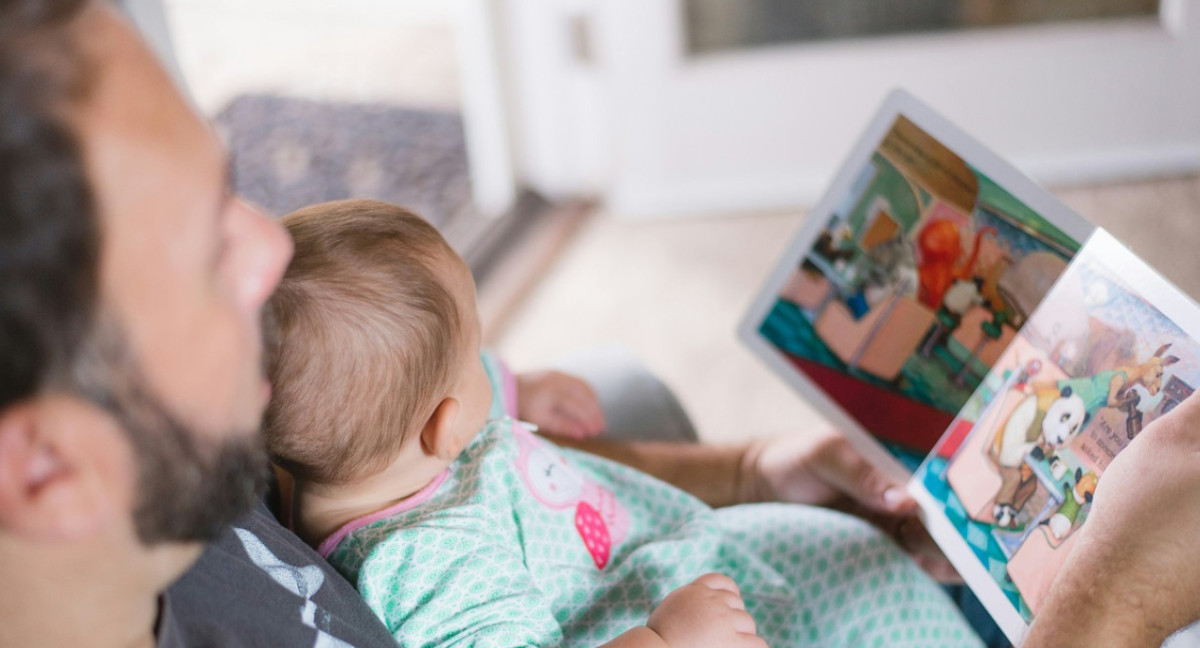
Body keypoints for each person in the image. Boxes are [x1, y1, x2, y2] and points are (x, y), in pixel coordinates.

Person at [1, 1, 1198, 646]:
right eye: (205, 246)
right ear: (46, 465)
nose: (268, 245)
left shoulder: (205, 448)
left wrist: (734, 466)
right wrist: (1118, 599)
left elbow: (444, 463)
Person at [264, 199, 983, 647]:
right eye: (477, 348)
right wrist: (667, 639)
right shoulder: (427, 570)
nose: (489, 360)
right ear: (444, 429)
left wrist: (518, 388)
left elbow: (450, 393)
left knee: (877, 554)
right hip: (668, 616)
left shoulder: (362, 451)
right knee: (892, 597)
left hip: (679, 557)